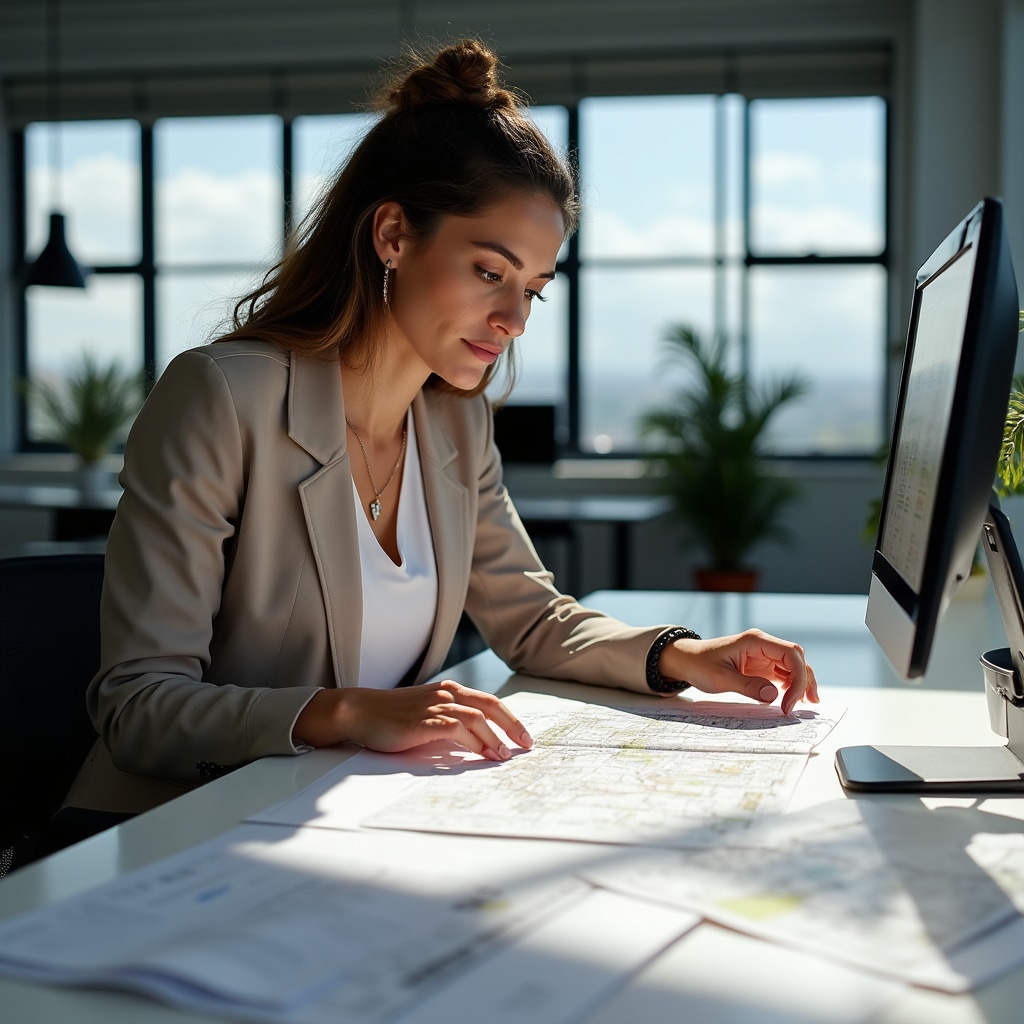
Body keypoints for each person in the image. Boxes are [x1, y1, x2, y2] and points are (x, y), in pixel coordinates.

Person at [69, 38, 818, 814]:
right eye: (489, 272)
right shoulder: (222, 396)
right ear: (393, 235)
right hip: (161, 832)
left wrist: (682, 655)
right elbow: (138, 705)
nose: (514, 319)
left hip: (333, 814)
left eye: (534, 288)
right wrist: (347, 711)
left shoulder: (455, 423)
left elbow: (532, 621)